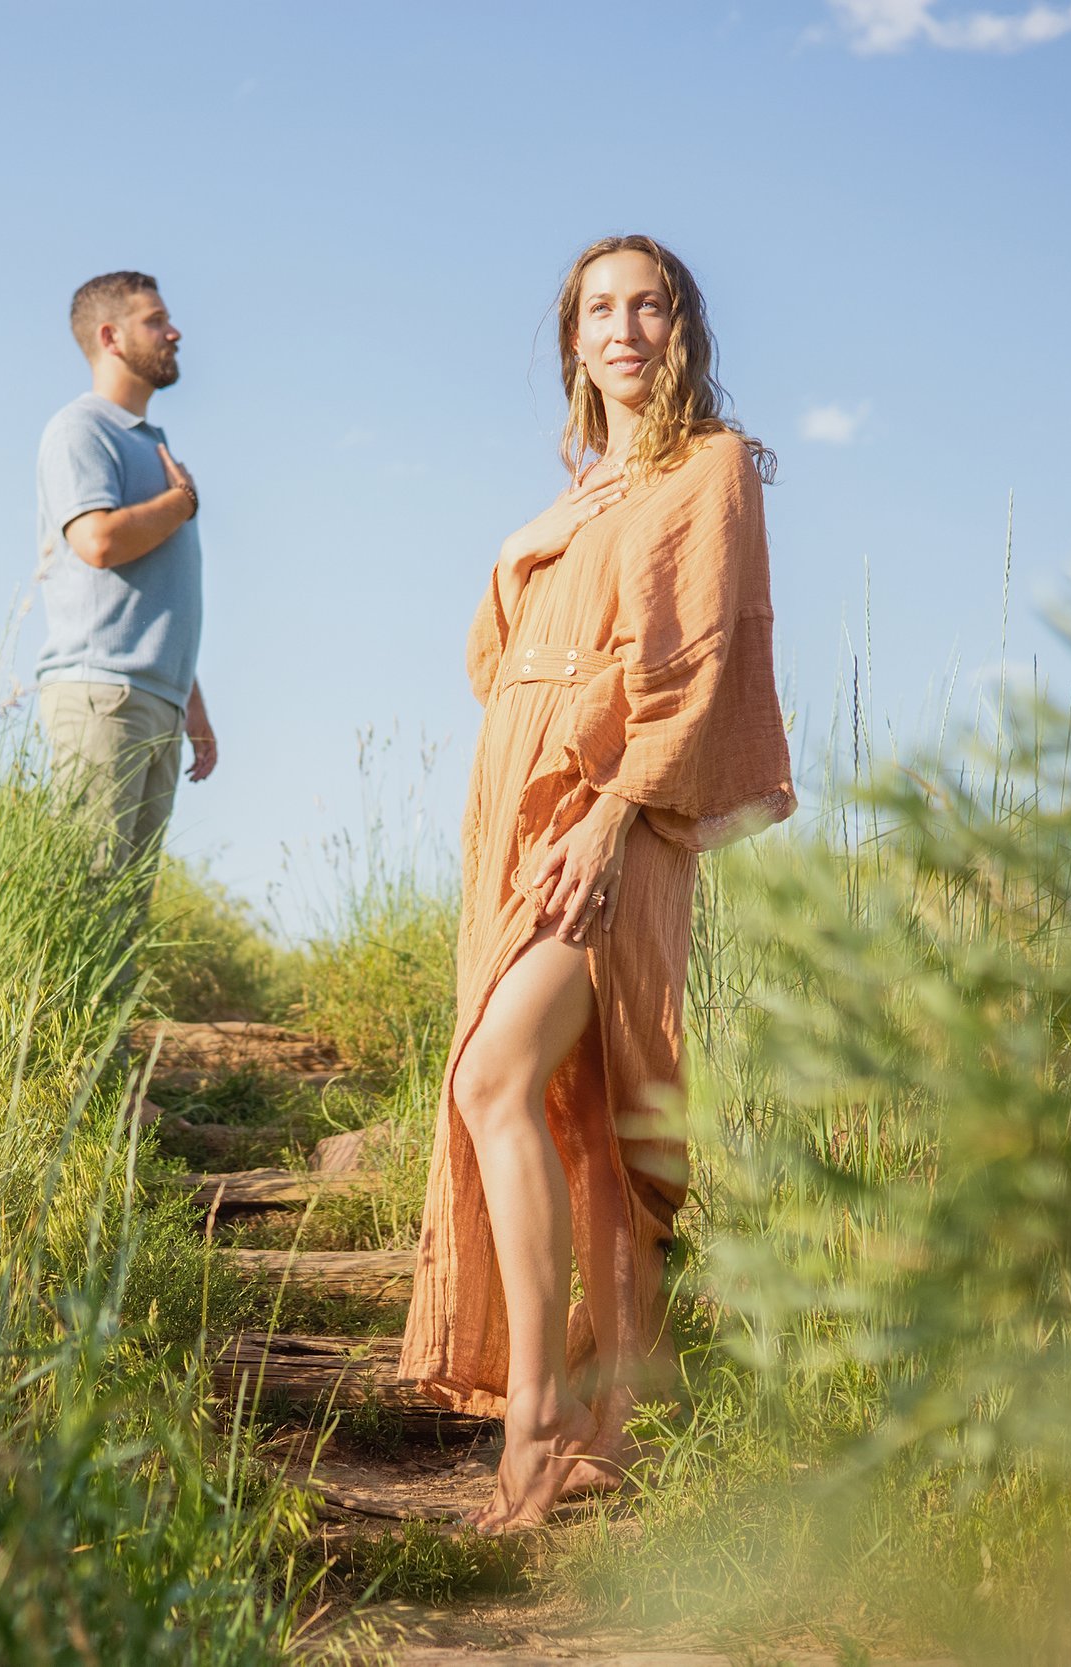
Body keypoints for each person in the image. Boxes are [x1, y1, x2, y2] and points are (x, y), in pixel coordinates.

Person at [398, 236, 795, 1533]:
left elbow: (699, 667)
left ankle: (537, 1420)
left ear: (682, 325)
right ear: (573, 340)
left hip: (604, 825)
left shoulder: (709, 469)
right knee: (575, 1119)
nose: (623, 328)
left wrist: (613, 813)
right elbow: (495, 665)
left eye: (649, 305)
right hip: (517, 824)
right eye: (599, 310)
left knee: (495, 1077)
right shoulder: (580, 494)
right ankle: (622, 1405)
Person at [33, 271, 218, 936]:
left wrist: (189, 702)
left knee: (123, 919)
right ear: (110, 336)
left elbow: (157, 588)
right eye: (154, 320)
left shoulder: (153, 444)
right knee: (90, 899)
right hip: (101, 695)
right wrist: (179, 504)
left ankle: (108, 1044)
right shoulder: (80, 429)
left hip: (155, 701)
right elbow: (98, 540)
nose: (173, 332)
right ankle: (56, 1043)